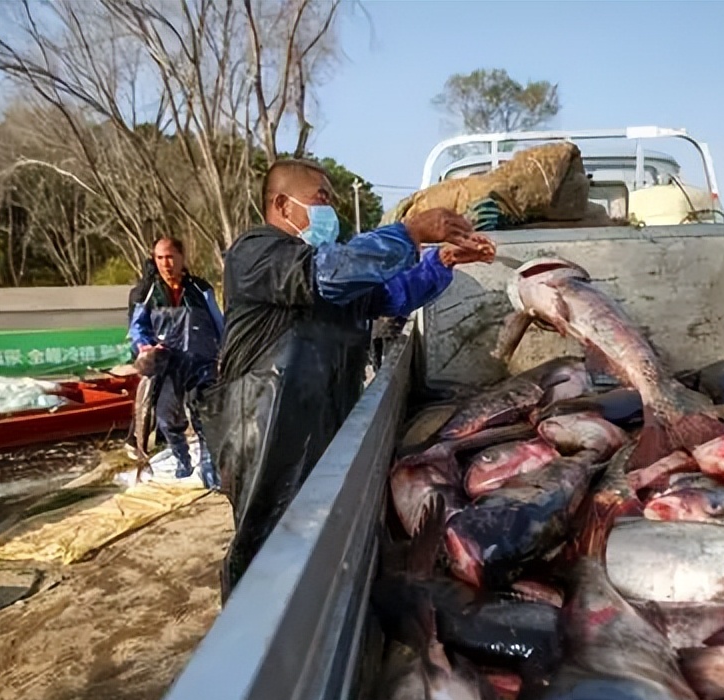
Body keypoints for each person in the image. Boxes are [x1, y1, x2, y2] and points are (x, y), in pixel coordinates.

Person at [202, 158, 494, 602]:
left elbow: (390, 296)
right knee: (266, 554)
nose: (330, 207)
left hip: (321, 432)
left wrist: (444, 260)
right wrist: (411, 232)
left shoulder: (327, 272)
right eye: (321, 196)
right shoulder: (256, 252)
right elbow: (329, 274)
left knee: (315, 554)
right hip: (264, 439)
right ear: (282, 204)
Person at [127, 237, 225, 486]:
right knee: (166, 418)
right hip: (168, 365)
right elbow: (138, 328)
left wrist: (225, 352)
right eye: (159, 258)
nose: (165, 263)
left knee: (204, 417)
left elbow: (218, 323)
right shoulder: (148, 292)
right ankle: (182, 462)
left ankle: (209, 471)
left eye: (170, 256)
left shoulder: (200, 289)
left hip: (202, 362)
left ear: (182, 257)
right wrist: (144, 347)